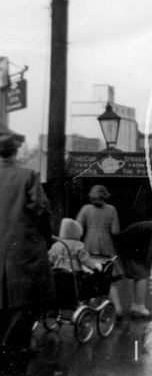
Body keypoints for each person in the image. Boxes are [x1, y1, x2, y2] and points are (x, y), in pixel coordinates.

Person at [0, 133, 54, 369]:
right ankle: (13, 346)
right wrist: (46, 236)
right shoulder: (27, 175)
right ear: (16, 152)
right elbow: (42, 210)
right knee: (28, 298)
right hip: (23, 248)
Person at [76, 184, 123, 315]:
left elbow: (77, 227)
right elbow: (115, 231)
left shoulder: (85, 209)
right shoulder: (112, 209)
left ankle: (90, 309)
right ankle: (118, 310)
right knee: (110, 279)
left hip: (89, 244)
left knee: (90, 276)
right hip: (106, 246)